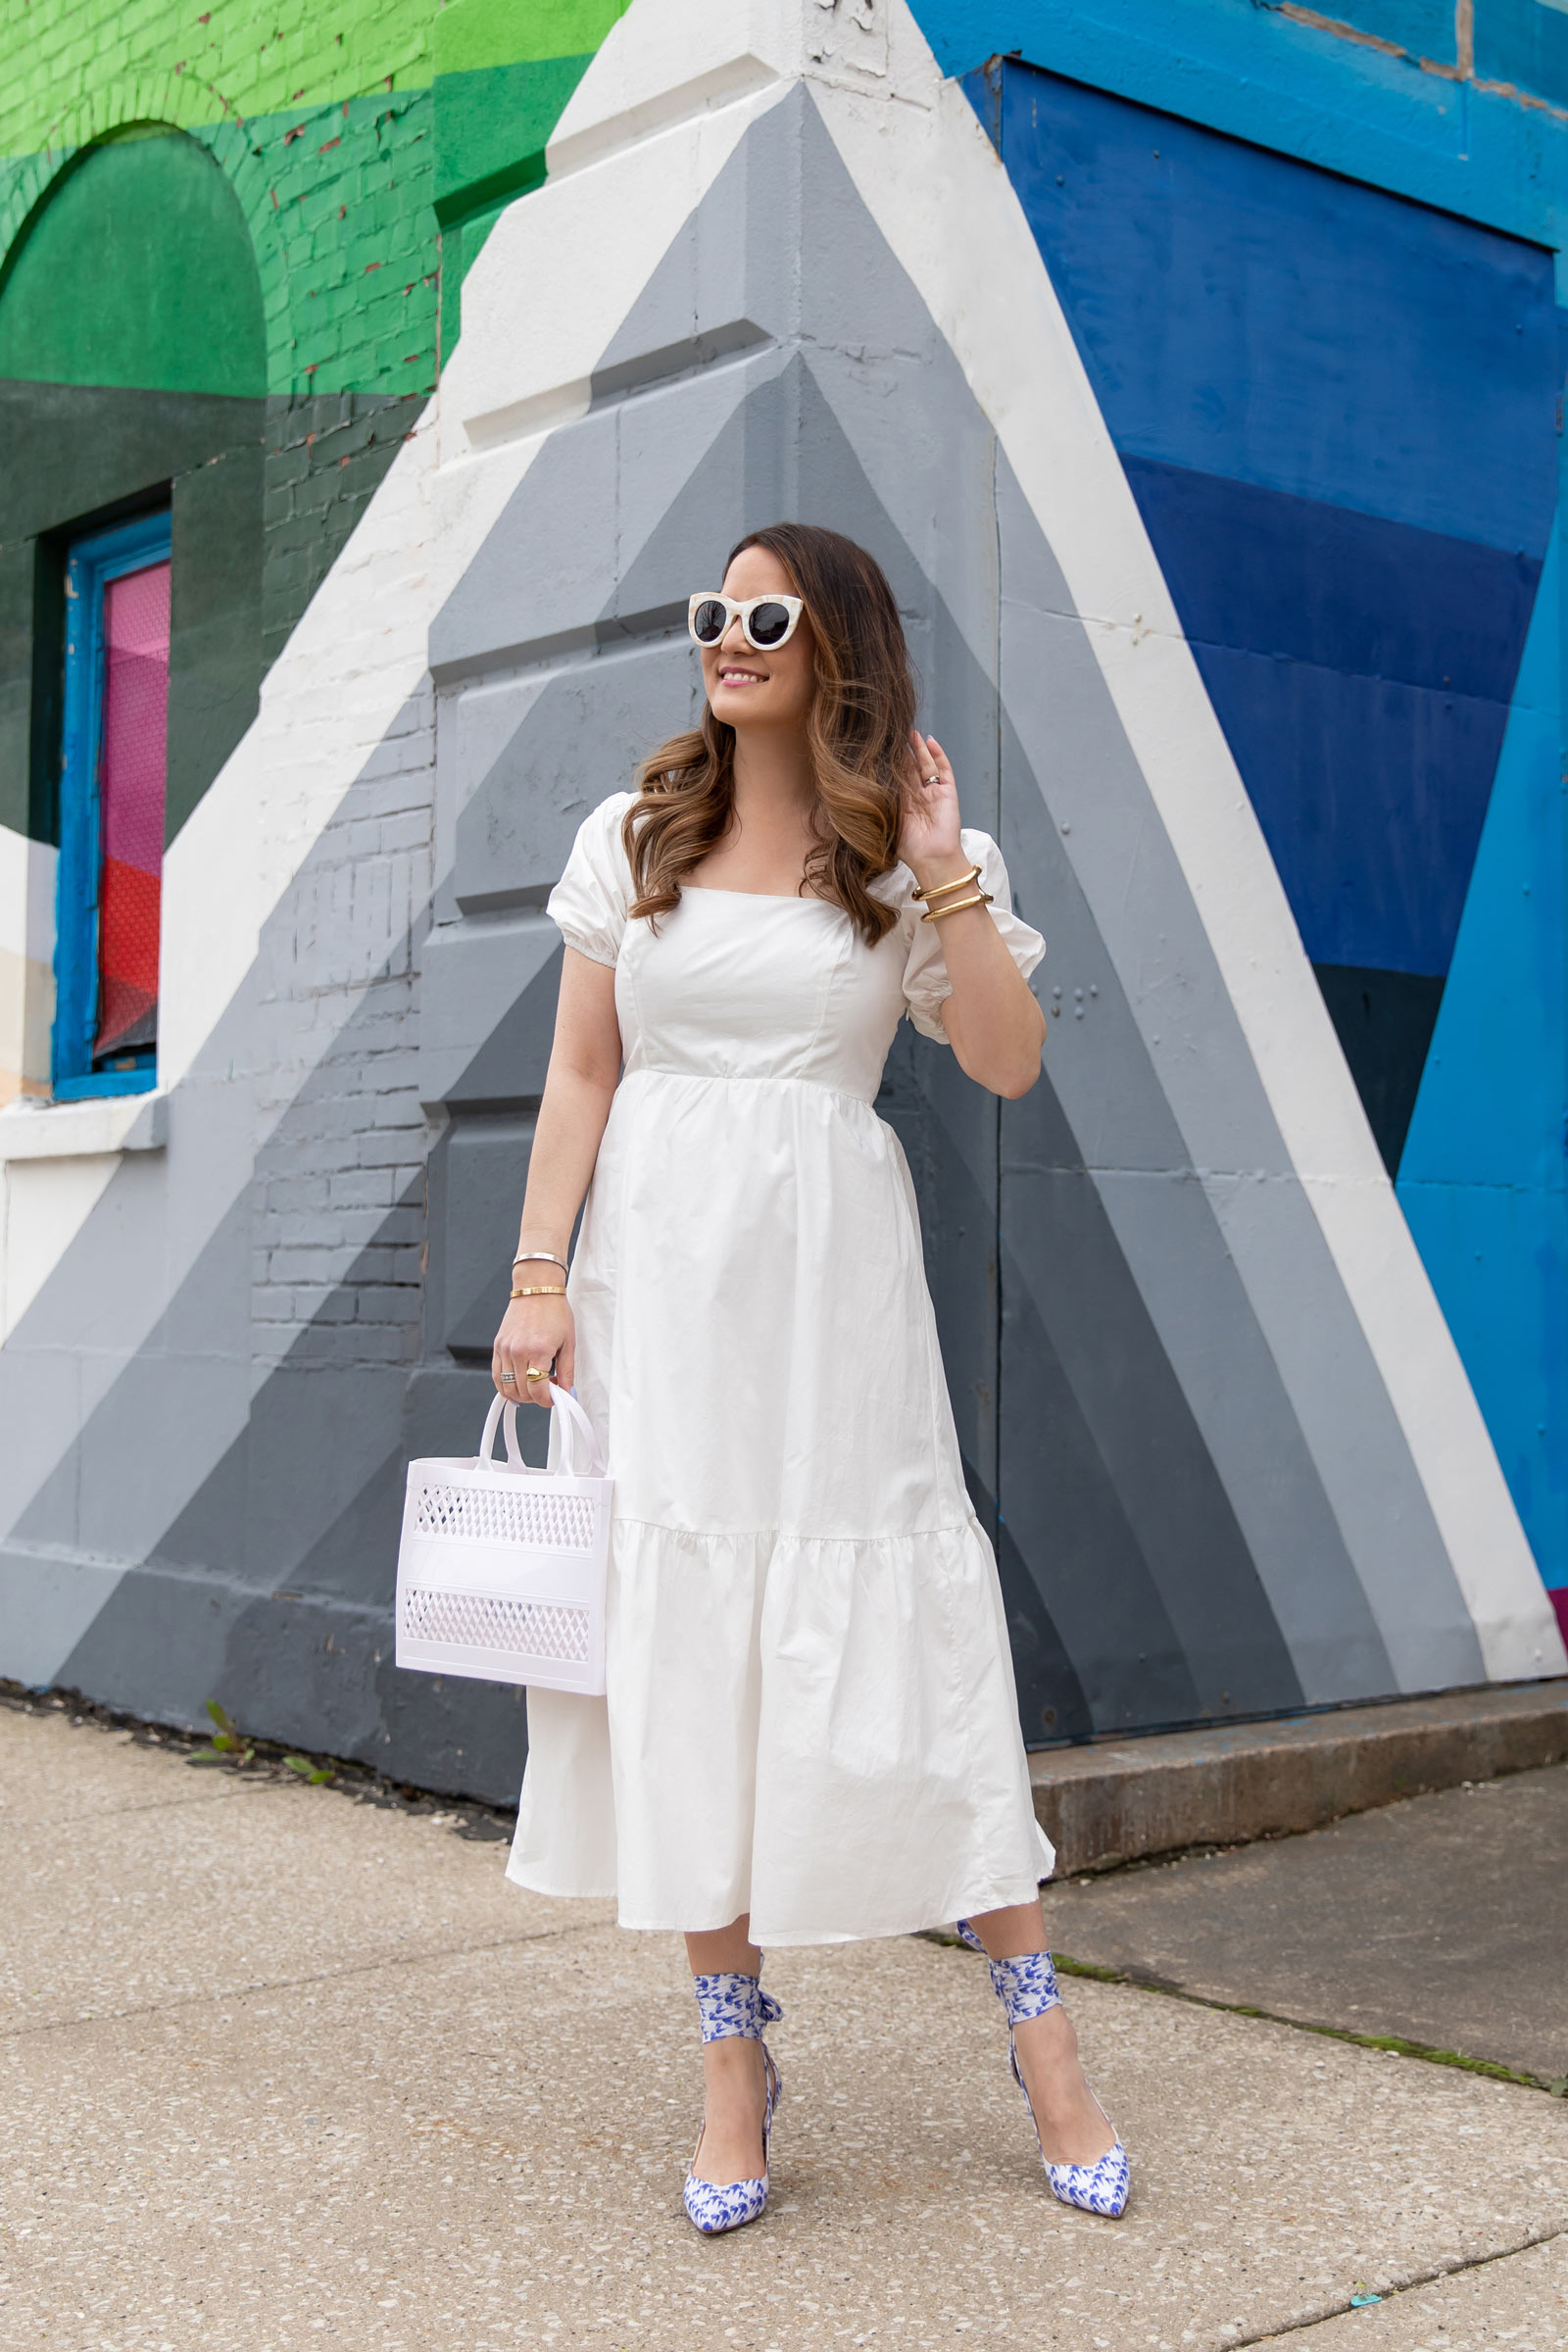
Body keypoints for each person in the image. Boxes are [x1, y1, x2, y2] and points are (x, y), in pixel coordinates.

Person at [491, 523, 1129, 2232]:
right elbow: (577, 1074)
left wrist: (944, 871)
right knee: (691, 1640)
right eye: (712, 612)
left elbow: (1002, 1061)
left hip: (834, 1292)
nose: (727, 636)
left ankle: (1044, 2041)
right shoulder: (632, 837)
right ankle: (731, 2060)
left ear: (835, 642)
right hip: (659, 1287)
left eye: (763, 614)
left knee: (904, 1614)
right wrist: (538, 1277)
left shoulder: (909, 851)